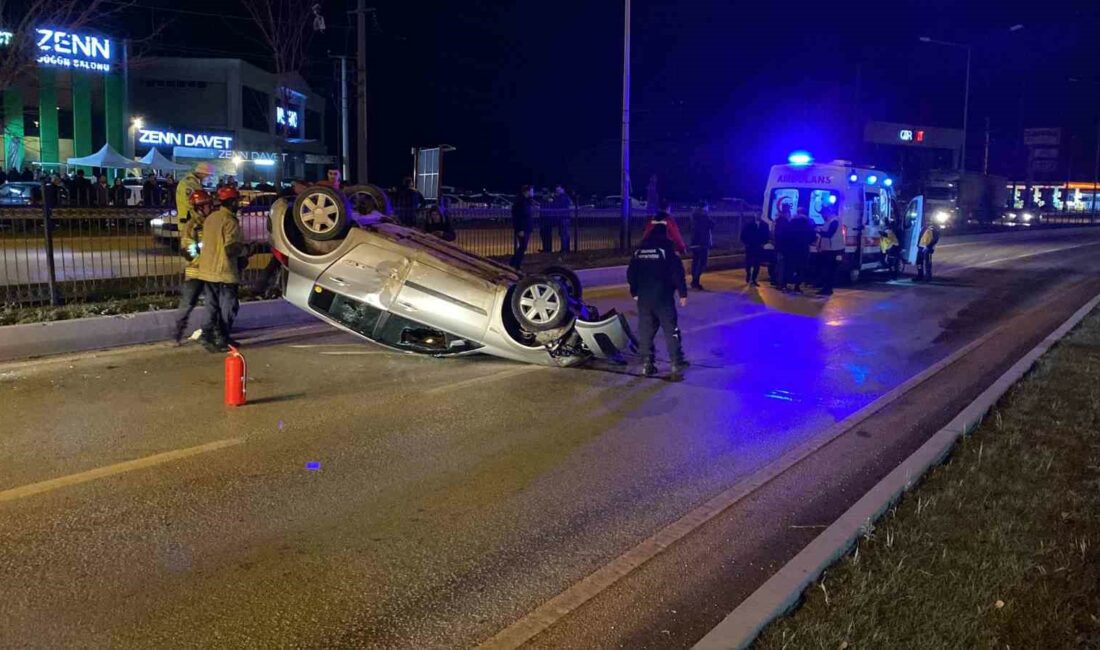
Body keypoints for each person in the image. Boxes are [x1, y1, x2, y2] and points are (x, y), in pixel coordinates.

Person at [193, 186, 253, 352]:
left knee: (212, 306)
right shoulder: (230, 221)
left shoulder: (211, 217)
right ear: (232, 202)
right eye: (237, 201)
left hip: (207, 270)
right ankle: (222, 336)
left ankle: (207, 336)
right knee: (229, 307)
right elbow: (230, 248)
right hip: (224, 272)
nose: (239, 204)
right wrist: (247, 250)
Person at [628, 221, 689, 380]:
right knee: (671, 330)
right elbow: (677, 273)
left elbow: (631, 273)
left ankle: (647, 364)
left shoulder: (639, 252)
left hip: (644, 298)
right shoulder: (667, 251)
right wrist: (683, 294)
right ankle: (676, 362)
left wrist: (634, 291)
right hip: (663, 297)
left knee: (646, 331)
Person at [173, 189, 217, 345]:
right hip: (195, 272)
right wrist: (204, 259)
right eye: (207, 205)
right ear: (199, 207)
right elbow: (189, 251)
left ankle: (209, 333)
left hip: (210, 271)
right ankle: (177, 333)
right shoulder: (191, 226)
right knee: (187, 304)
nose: (210, 207)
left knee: (213, 304)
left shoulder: (212, 223)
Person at [175, 163, 214, 241]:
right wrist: (200, 218)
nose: (209, 178)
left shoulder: (193, 182)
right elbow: (191, 203)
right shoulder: (189, 183)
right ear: (202, 173)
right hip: (189, 222)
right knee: (192, 249)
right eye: (208, 175)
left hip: (193, 222)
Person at [784, 207, 816, 293]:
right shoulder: (808, 223)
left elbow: (786, 234)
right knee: (801, 268)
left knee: (789, 266)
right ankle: (797, 286)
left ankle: (785, 284)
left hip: (791, 248)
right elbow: (813, 236)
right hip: (803, 248)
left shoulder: (792, 222)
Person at [815, 202, 844, 296]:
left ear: (827, 212)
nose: (822, 216)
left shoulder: (834, 221)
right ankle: (826, 288)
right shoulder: (830, 221)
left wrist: (818, 232)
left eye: (823, 213)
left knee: (829, 270)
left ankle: (827, 288)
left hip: (832, 249)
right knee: (827, 270)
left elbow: (829, 234)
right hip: (828, 249)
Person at [689, 201, 714, 290]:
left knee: (695, 262)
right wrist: (707, 214)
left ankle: (694, 280)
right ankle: (696, 281)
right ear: (705, 207)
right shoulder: (704, 216)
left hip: (695, 242)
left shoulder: (694, 216)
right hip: (703, 243)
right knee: (702, 263)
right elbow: (712, 225)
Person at [740, 212, 770, 287]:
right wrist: (746, 243)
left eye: (759, 214)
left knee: (757, 264)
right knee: (748, 263)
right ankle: (748, 274)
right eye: (757, 214)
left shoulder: (765, 225)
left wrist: (764, 243)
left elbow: (767, 235)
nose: (758, 216)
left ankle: (754, 279)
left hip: (759, 247)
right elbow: (743, 234)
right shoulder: (749, 224)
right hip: (750, 246)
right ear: (754, 215)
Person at [510, 185, 535, 268]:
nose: (533, 193)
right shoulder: (520, 202)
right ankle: (515, 264)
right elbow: (518, 217)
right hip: (522, 229)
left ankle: (514, 263)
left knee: (523, 247)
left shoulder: (526, 201)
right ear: (527, 191)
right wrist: (520, 229)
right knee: (523, 247)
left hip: (526, 228)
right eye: (531, 191)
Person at [548, 184, 573, 253]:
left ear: (563, 190)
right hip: (565, 217)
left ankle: (564, 249)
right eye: (557, 190)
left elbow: (558, 206)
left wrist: (553, 200)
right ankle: (566, 249)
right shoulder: (565, 196)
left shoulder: (562, 197)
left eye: (559, 190)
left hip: (563, 217)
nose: (557, 191)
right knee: (565, 233)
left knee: (563, 234)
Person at [772, 203, 792, 288]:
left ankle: (777, 281)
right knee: (781, 265)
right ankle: (779, 282)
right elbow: (782, 235)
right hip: (783, 247)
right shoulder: (783, 222)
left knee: (779, 264)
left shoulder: (779, 220)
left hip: (780, 247)